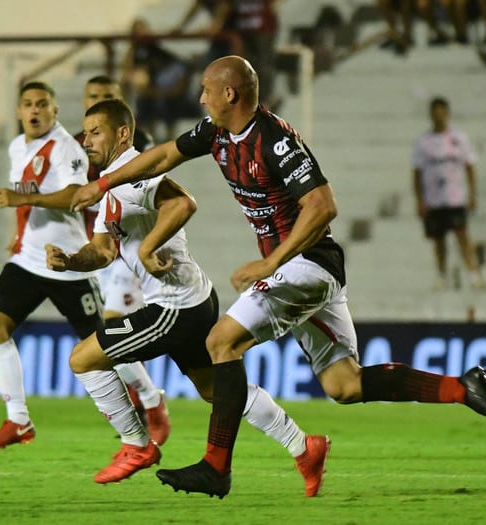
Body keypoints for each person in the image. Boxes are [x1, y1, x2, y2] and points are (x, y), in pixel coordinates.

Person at [71, 56, 486, 499]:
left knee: (221, 340)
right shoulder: (218, 132)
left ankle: (216, 467)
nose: (201, 97)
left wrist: (270, 262)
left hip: (307, 263)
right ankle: (462, 388)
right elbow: (165, 154)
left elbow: (322, 206)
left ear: (230, 93)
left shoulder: (275, 140)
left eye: (208, 89)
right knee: (345, 385)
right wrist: (104, 183)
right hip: (299, 269)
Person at [48, 98, 329, 495]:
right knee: (217, 390)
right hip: (191, 300)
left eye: (96, 132)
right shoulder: (110, 184)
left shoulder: (134, 172)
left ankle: (136, 444)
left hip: (174, 307)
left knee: (83, 358)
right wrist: (70, 262)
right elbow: (103, 251)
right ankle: (304, 447)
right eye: (85, 132)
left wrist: (148, 249)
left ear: (122, 133)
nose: (87, 139)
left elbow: (182, 203)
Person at [0, 81, 99, 449]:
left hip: (67, 262)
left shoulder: (68, 149)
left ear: (55, 110)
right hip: (28, 259)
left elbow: (75, 195)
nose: (34, 110)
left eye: (42, 104)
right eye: (27, 104)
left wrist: (20, 198)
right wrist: (18, 233)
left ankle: (149, 402)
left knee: (104, 345)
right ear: (18, 112)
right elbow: (29, 197)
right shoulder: (18, 146)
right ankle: (18, 420)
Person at [74, 75, 171, 445]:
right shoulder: (79, 146)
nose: (99, 99)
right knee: (108, 336)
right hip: (101, 243)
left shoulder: (138, 148)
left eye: (106, 97)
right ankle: (145, 405)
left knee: (112, 328)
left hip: (129, 249)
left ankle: (149, 402)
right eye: (93, 97)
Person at [412, 97, 486, 291]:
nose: (438, 116)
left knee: (462, 235)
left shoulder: (459, 139)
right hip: (434, 198)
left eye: (441, 112)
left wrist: (472, 194)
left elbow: (470, 166)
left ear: (447, 113)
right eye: (435, 113)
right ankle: (441, 275)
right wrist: (420, 200)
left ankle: (473, 274)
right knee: (438, 239)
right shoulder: (424, 142)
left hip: (454, 196)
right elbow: (417, 172)